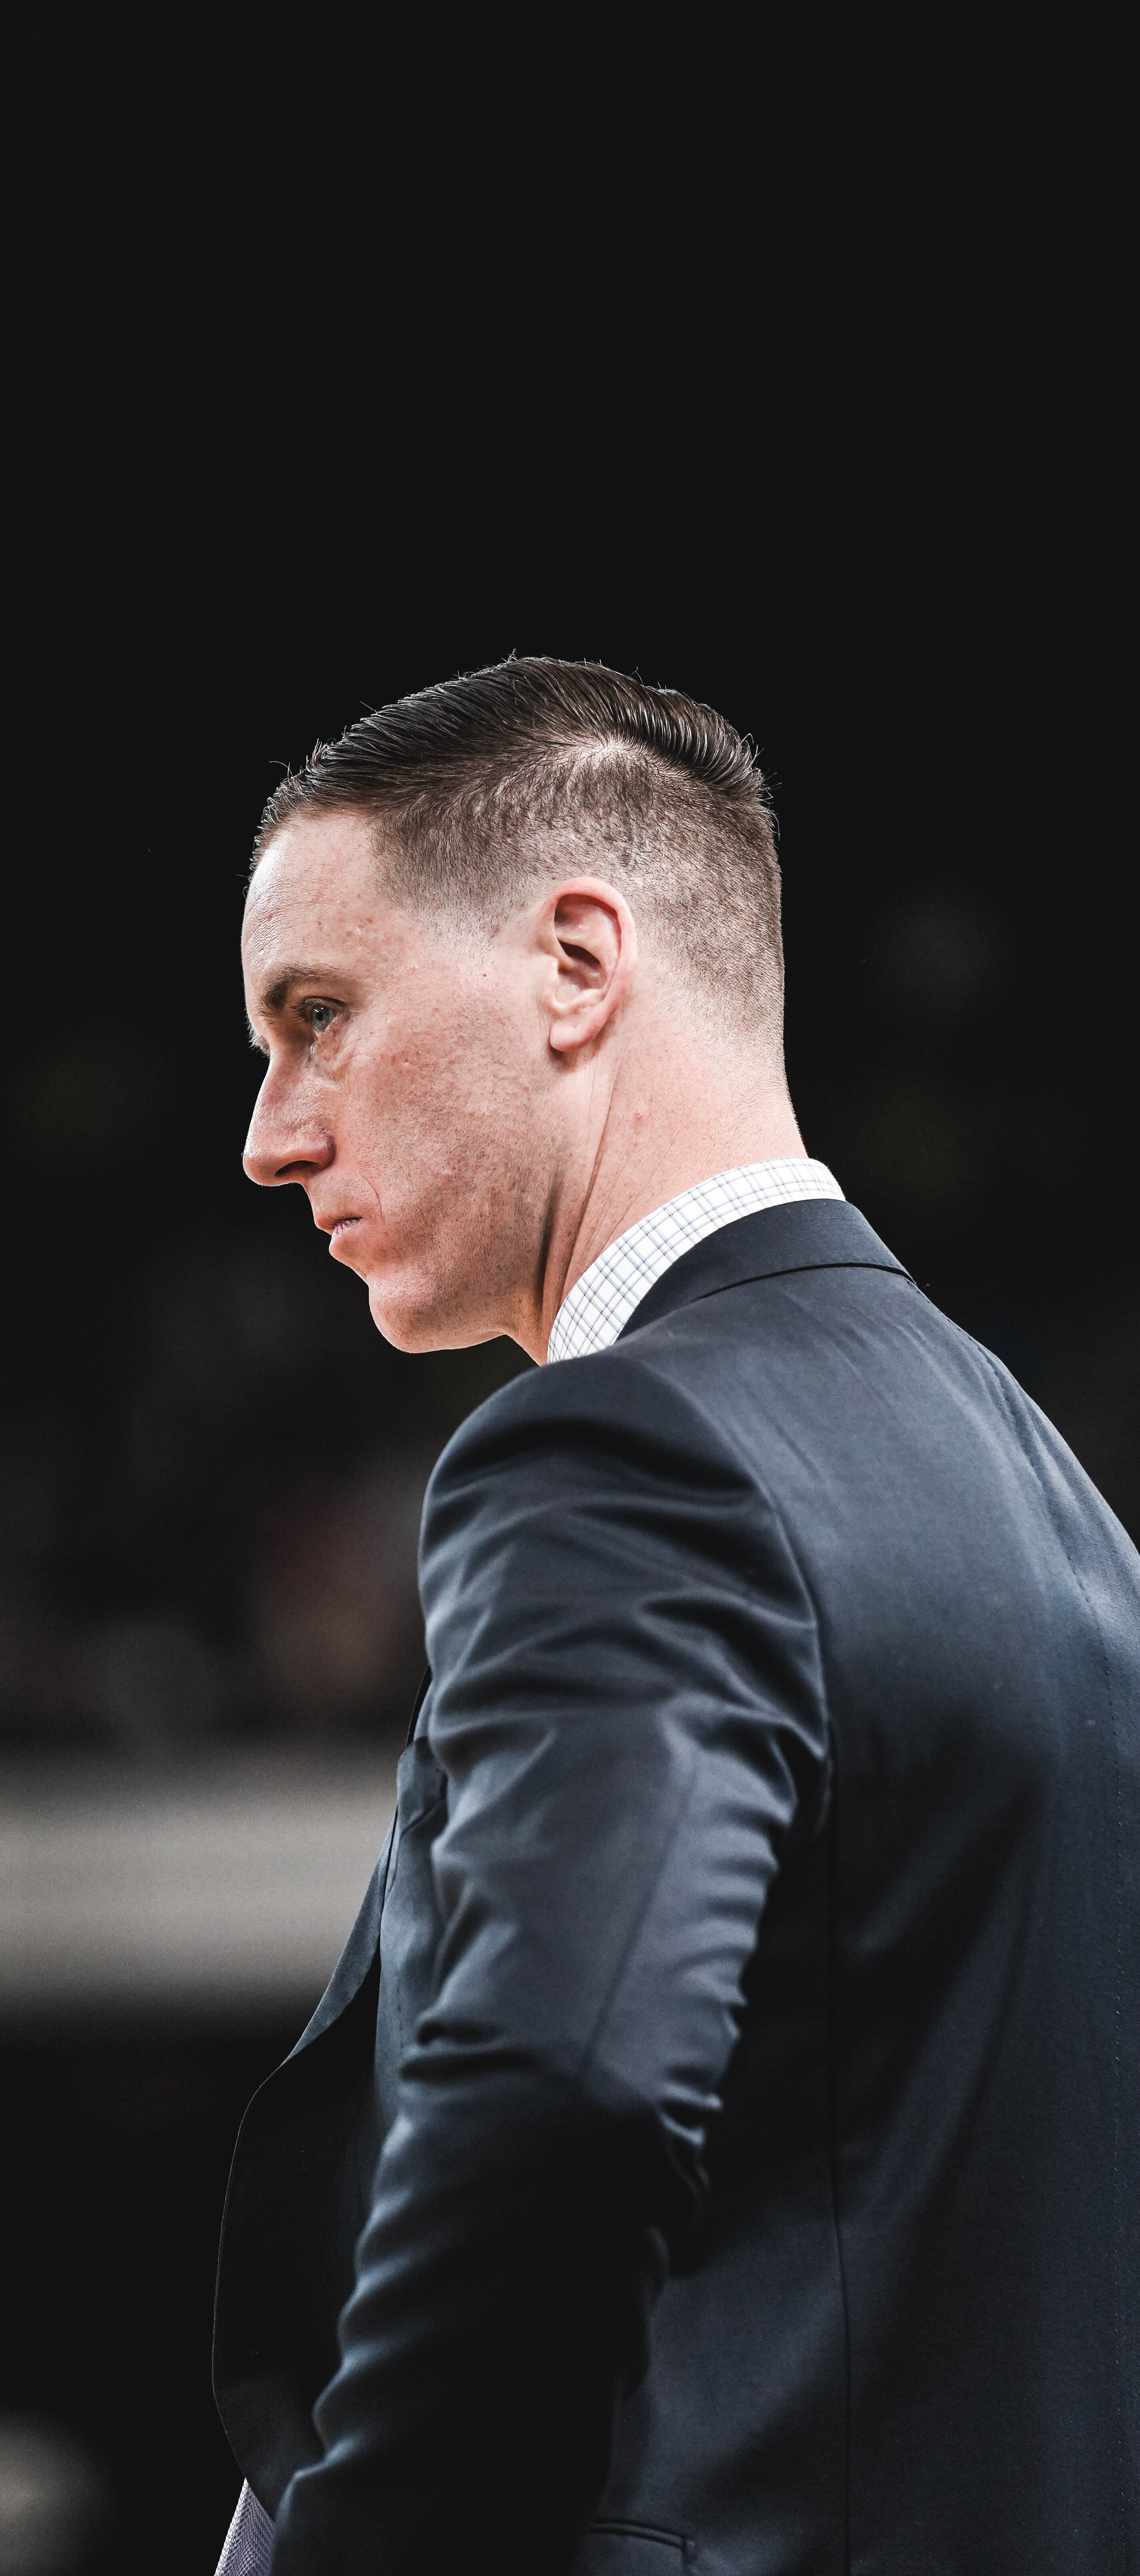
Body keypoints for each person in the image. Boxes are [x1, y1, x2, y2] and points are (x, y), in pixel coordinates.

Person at [210, 657, 1139, 2576]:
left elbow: (563, 2095)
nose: (271, 1134)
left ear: (574, 965)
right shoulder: (1034, 1485)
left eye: (317, 1018)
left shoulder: (626, 1453)